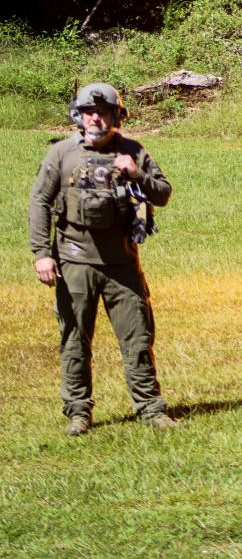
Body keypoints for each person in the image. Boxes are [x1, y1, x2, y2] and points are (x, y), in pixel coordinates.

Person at [28, 82, 178, 436]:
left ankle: (151, 409)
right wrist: (41, 254)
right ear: (78, 116)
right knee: (75, 339)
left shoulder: (133, 151)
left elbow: (164, 194)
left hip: (122, 264)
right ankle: (78, 411)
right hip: (73, 262)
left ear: (116, 115)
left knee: (138, 338)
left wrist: (136, 174)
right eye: (89, 112)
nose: (96, 117)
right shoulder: (61, 154)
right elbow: (40, 203)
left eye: (104, 111)